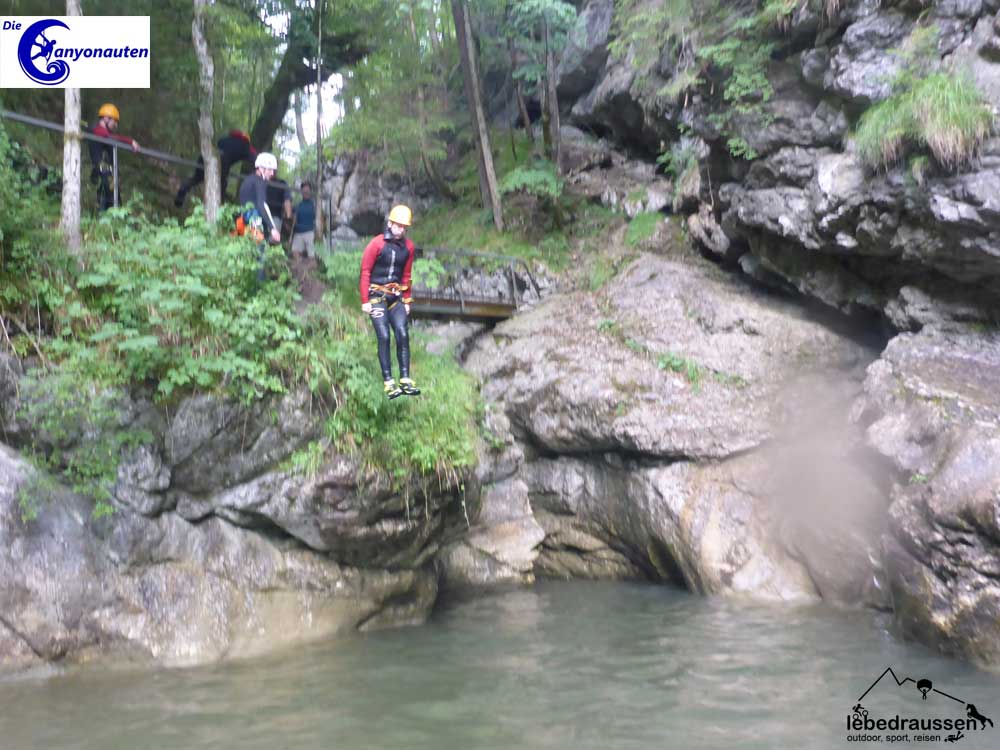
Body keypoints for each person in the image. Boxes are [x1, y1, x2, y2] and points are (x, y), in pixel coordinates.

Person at [360, 205, 420, 399]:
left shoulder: (408, 248)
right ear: (390, 224)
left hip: (395, 298)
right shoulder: (376, 244)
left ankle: (405, 378)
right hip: (376, 296)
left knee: (402, 334)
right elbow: (365, 271)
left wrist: (407, 299)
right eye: (398, 226)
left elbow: (407, 274)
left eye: (404, 227)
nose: (401, 230)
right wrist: (364, 300)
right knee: (384, 336)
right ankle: (388, 381)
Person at [175, 129, 257, 207]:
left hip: (206, 157)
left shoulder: (224, 139)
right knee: (221, 186)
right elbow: (256, 159)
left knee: (197, 178)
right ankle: (218, 209)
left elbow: (218, 146)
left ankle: (182, 190)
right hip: (221, 162)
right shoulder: (245, 145)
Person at [236, 152, 281, 281]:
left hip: (242, 219)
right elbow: (262, 205)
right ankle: (258, 289)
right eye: (270, 170)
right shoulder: (260, 182)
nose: (272, 174)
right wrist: (272, 228)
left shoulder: (247, 181)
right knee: (259, 255)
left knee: (245, 254)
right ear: (261, 169)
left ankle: (243, 284)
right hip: (254, 220)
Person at [88, 103, 140, 211]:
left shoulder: (105, 135)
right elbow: (108, 137)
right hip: (102, 171)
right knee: (107, 199)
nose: (116, 124)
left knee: (114, 199)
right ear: (106, 119)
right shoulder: (97, 130)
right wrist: (130, 141)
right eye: (114, 121)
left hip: (108, 172)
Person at [291, 181, 316, 260]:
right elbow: (294, 220)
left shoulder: (314, 205)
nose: (306, 193)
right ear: (301, 192)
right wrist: (291, 235)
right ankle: (302, 269)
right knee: (295, 252)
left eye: (307, 191)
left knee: (311, 256)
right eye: (304, 191)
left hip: (310, 232)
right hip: (299, 232)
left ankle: (310, 269)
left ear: (310, 191)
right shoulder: (298, 205)